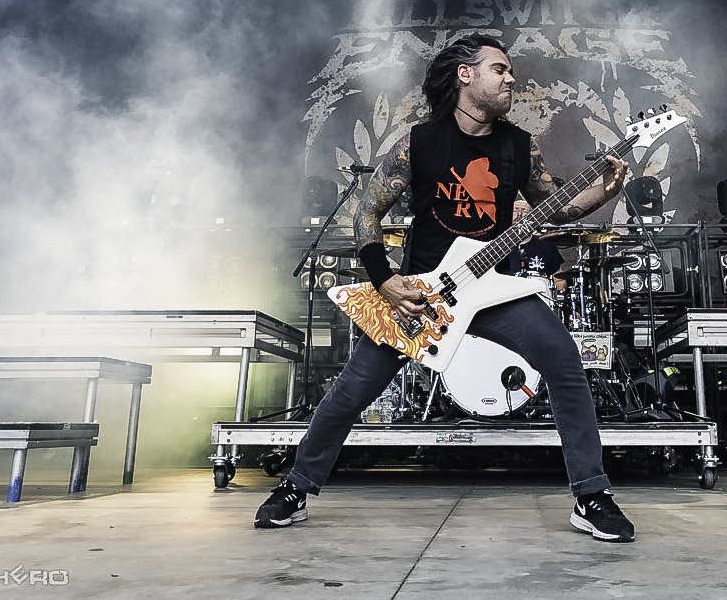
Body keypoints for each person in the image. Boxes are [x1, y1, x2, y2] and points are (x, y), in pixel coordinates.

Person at [255, 35, 636, 542]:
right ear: (465, 75)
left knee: (564, 360)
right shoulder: (418, 143)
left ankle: (591, 496)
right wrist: (385, 281)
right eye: (499, 69)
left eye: (510, 70)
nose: (511, 78)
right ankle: (296, 487)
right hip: (421, 297)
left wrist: (603, 193)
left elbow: (557, 206)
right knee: (352, 389)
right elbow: (366, 213)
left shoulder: (519, 145)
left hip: (492, 289)